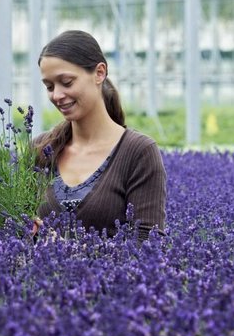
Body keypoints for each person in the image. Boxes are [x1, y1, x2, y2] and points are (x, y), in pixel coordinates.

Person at [33, 30, 167, 240]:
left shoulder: (138, 152)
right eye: (49, 86)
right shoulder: (41, 149)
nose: (57, 95)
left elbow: (148, 242)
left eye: (67, 82)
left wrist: (78, 254)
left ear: (99, 73)